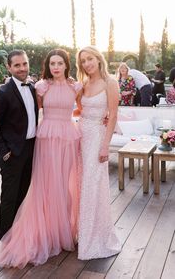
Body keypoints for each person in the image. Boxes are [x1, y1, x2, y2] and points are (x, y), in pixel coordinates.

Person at [0, 48, 82, 268]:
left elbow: (82, 108)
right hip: (39, 141)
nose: (56, 67)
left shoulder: (73, 86)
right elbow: (1, 124)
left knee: (62, 187)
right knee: (33, 190)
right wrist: (4, 150)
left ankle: (59, 232)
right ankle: (8, 240)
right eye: (53, 63)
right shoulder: (38, 87)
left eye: (60, 63)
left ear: (66, 65)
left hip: (64, 139)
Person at [0, 50, 39, 240]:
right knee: (9, 198)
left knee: (23, 195)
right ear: (9, 67)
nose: (22, 68)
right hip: (12, 153)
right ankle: (6, 241)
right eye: (17, 65)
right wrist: (4, 152)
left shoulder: (33, 88)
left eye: (24, 64)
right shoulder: (3, 92)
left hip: (32, 150)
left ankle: (17, 237)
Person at [76, 46, 121, 260]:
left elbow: (112, 116)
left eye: (90, 59)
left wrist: (105, 145)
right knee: (81, 185)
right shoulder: (84, 84)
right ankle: (83, 233)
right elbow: (79, 109)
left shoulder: (110, 83)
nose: (87, 64)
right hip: (80, 137)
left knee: (92, 186)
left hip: (96, 139)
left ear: (98, 58)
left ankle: (95, 238)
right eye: (83, 61)